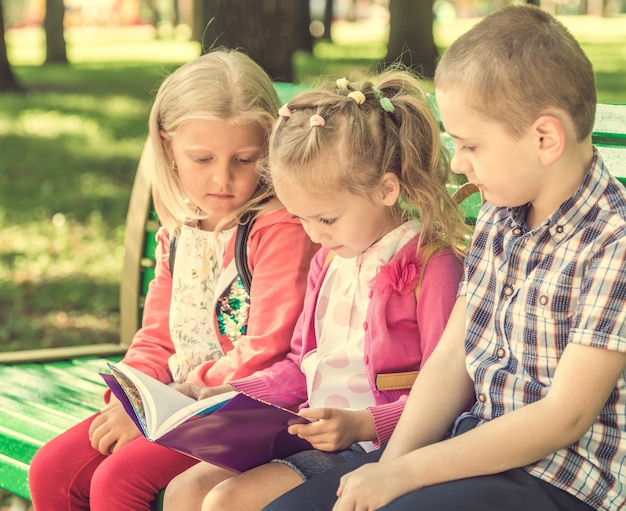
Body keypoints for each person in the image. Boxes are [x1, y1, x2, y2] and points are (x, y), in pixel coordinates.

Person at [260, 5, 626, 511]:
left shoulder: (613, 242)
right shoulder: (504, 216)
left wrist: (406, 473)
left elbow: (563, 415)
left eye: (471, 144)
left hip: (558, 479)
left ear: (545, 138)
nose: (457, 163)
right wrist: (389, 470)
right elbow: (451, 358)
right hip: (468, 447)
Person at [161, 68, 470, 511]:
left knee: (227, 502)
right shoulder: (330, 259)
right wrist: (230, 396)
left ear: (386, 189)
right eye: (300, 218)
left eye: (325, 219)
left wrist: (364, 424)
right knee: (185, 491)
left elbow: (449, 394)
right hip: (314, 432)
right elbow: (299, 365)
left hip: (381, 449)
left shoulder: (430, 267)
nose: (314, 235)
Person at [28, 48, 319, 511]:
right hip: (172, 406)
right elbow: (156, 339)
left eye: (244, 159)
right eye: (202, 158)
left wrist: (164, 404)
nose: (223, 179)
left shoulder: (278, 229)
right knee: (53, 471)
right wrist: (132, 398)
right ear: (168, 146)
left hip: (246, 410)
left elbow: (265, 351)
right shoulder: (180, 230)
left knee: (118, 482)